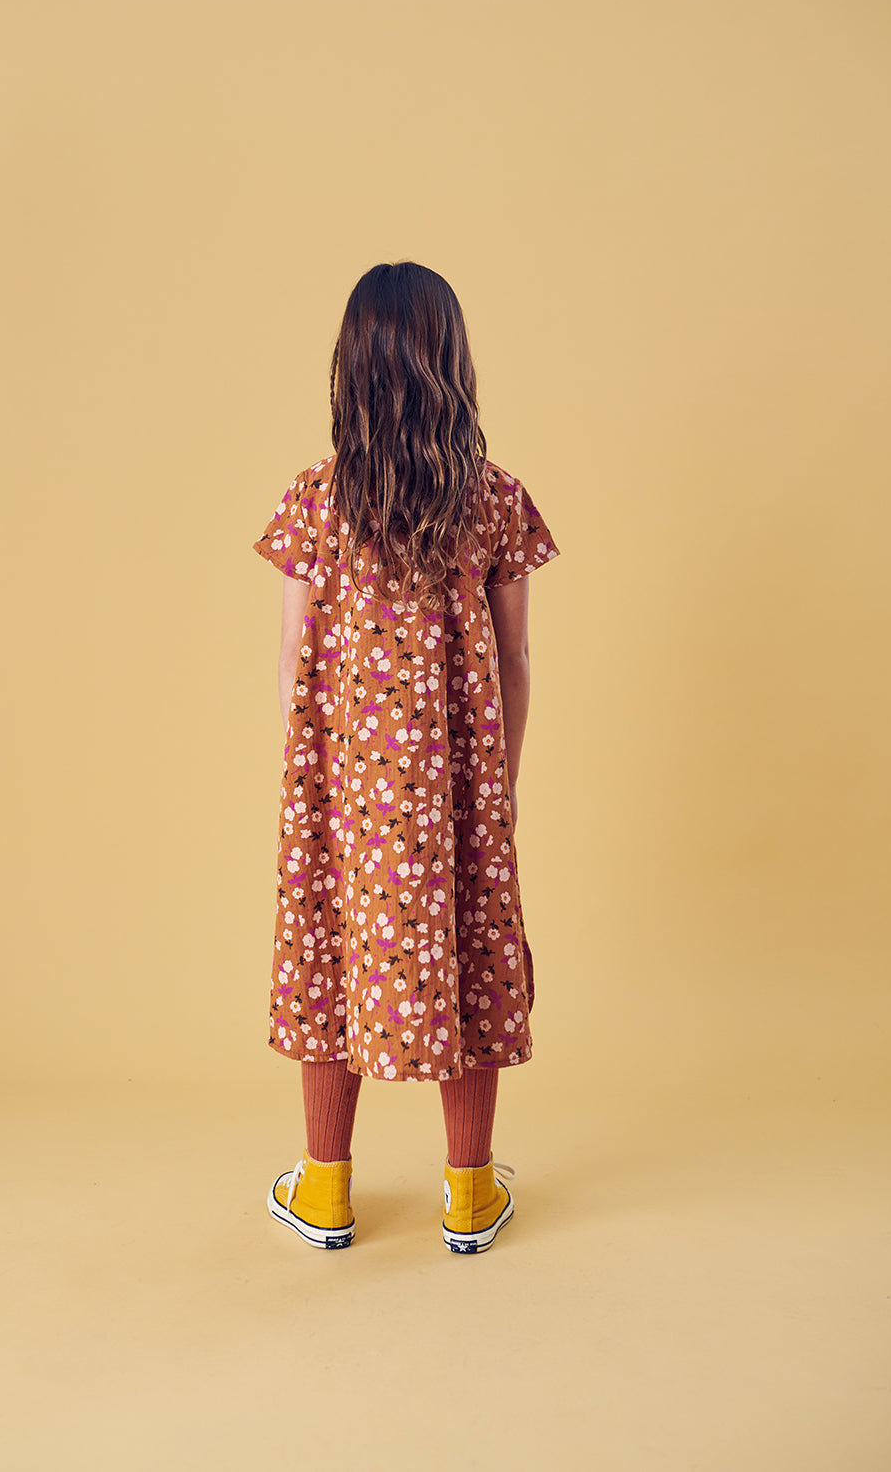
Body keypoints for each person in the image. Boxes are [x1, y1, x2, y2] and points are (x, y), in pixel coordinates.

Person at [251, 261, 561, 1253]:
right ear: (450, 366)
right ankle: (468, 1196)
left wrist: (320, 785)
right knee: (466, 954)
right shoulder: (496, 502)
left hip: (342, 797)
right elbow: (513, 659)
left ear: (351, 370)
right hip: (458, 798)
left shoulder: (313, 504)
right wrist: (495, 785)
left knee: (331, 953)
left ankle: (326, 1191)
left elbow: (297, 659)